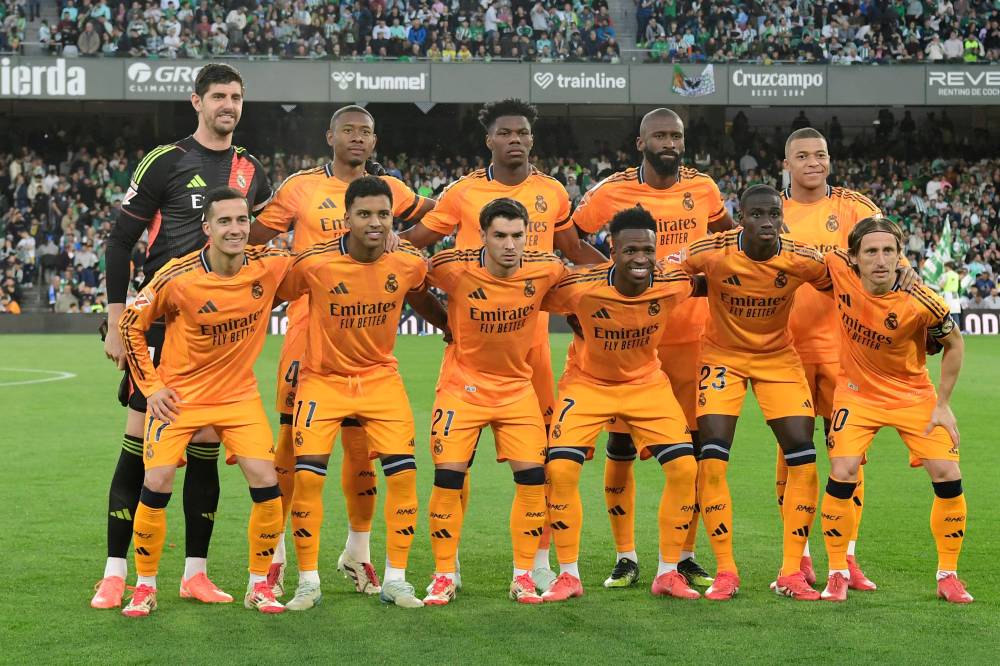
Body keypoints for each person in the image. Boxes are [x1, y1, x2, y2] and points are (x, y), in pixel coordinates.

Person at [400, 98, 604, 590]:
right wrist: (439, 316)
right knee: (456, 461)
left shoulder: (552, 192)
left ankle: (535, 563)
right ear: (489, 139)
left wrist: (622, 279)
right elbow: (413, 246)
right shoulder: (463, 192)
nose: (516, 139)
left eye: (523, 132)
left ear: (532, 139)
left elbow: (572, 252)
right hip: (473, 338)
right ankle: (448, 568)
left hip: (530, 342)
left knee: (542, 461)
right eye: (506, 132)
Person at [94, 63, 273, 610]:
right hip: (156, 328)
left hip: (216, 337)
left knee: (205, 448)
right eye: (218, 95)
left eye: (236, 97)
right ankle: (116, 572)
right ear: (196, 101)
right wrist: (117, 316)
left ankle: (195, 572)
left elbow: (258, 248)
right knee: (142, 450)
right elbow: (121, 239)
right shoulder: (165, 161)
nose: (228, 105)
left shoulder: (252, 172)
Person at [249, 105, 435, 599]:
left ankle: (358, 552)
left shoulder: (391, 190)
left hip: (368, 330)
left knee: (362, 451)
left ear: (375, 141)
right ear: (329, 135)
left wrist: (403, 239)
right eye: (348, 130)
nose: (357, 138)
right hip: (310, 331)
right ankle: (278, 553)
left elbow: (437, 217)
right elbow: (253, 238)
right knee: (291, 441)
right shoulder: (299, 188)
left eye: (366, 132)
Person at [570, 107, 734, 589]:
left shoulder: (703, 189)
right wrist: (612, 283)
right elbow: (571, 237)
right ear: (640, 142)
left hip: (693, 341)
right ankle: (625, 556)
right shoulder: (611, 190)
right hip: (631, 342)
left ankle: (683, 555)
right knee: (619, 446)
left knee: (694, 450)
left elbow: (727, 239)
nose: (669, 142)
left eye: (676, 135)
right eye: (659, 135)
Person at [275, 176, 448, 611]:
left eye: (383, 215)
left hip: (380, 381)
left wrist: (451, 327)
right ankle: (308, 583)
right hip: (323, 381)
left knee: (404, 476)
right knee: (309, 481)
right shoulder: (313, 263)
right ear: (346, 218)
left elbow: (422, 296)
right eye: (365, 214)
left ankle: (396, 580)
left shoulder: (407, 260)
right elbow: (267, 297)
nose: (375, 223)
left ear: (393, 219)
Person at [118, 187, 291, 617]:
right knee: (156, 481)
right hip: (181, 398)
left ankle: (258, 585)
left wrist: (389, 240)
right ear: (207, 229)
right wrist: (152, 387)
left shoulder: (269, 266)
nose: (235, 229)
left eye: (241, 220)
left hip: (237, 396)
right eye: (225, 222)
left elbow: (319, 261)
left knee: (267, 484)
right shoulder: (177, 277)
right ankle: (144, 586)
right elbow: (129, 325)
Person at [678, 185, 836, 602]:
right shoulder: (711, 250)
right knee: (711, 458)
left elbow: (839, 283)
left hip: (779, 358)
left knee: (803, 455)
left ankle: (791, 571)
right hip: (721, 358)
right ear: (740, 217)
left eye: (773, 214)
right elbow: (668, 272)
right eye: (756, 214)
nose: (766, 222)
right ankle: (726, 571)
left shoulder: (800, 256)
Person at [539, 207, 702, 603]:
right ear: (611, 249)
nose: (641, 259)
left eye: (647, 249)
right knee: (559, 468)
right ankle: (569, 575)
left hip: (646, 383)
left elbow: (713, 279)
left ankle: (668, 572)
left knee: (684, 468)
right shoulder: (580, 287)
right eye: (630, 250)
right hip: (588, 383)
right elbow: (529, 294)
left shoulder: (673, 281)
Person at [817, 217, 971, 604]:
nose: (881, 259)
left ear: (901, 256)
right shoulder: (837, 268)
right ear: (854, 257)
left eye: (889, 251)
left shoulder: (923, 300)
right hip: (855, 393)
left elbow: (954, 343)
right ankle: (837, 573)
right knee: (843, 469)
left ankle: (948, 575)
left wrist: (944, 404)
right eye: (871, 251)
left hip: (912, 393)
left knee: (947, 472)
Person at [421, 198, 566, 606]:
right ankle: (444, 575)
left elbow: (578, 293)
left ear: (527, 236)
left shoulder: (546, 268)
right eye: (499, 236)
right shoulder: (452, 266)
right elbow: (410, 277)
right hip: (461, 388)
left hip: (517, 390)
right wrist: (443, 322)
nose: (509, 244)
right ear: (482, 235)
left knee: (533, 482)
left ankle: (523, 576)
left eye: (517, 235)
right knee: (448, 480)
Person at [777, 127, 882, 590]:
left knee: (849, 457)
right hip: (787, 352)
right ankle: (797, 557)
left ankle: (847, 556)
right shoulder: (771, 212)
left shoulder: (855, 208)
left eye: (820, 154)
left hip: (846, 352)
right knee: (793, 456)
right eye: (802, 156)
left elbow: (887, 259)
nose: (813, 162)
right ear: (787, 164)